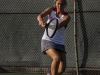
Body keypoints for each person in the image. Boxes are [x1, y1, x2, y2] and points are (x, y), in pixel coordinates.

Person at [37, 0, 70, 75]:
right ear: (55, 4)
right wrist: (41, 21)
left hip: (59, 42)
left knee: (62, 68)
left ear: (65, 5)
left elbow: (58, 25)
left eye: (62, 4)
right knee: (56, 58)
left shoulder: (67, 17)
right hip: (47, 40)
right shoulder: (51, 10)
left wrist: (47, 25)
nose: (60, 6)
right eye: (58, 4)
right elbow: (39, 16)